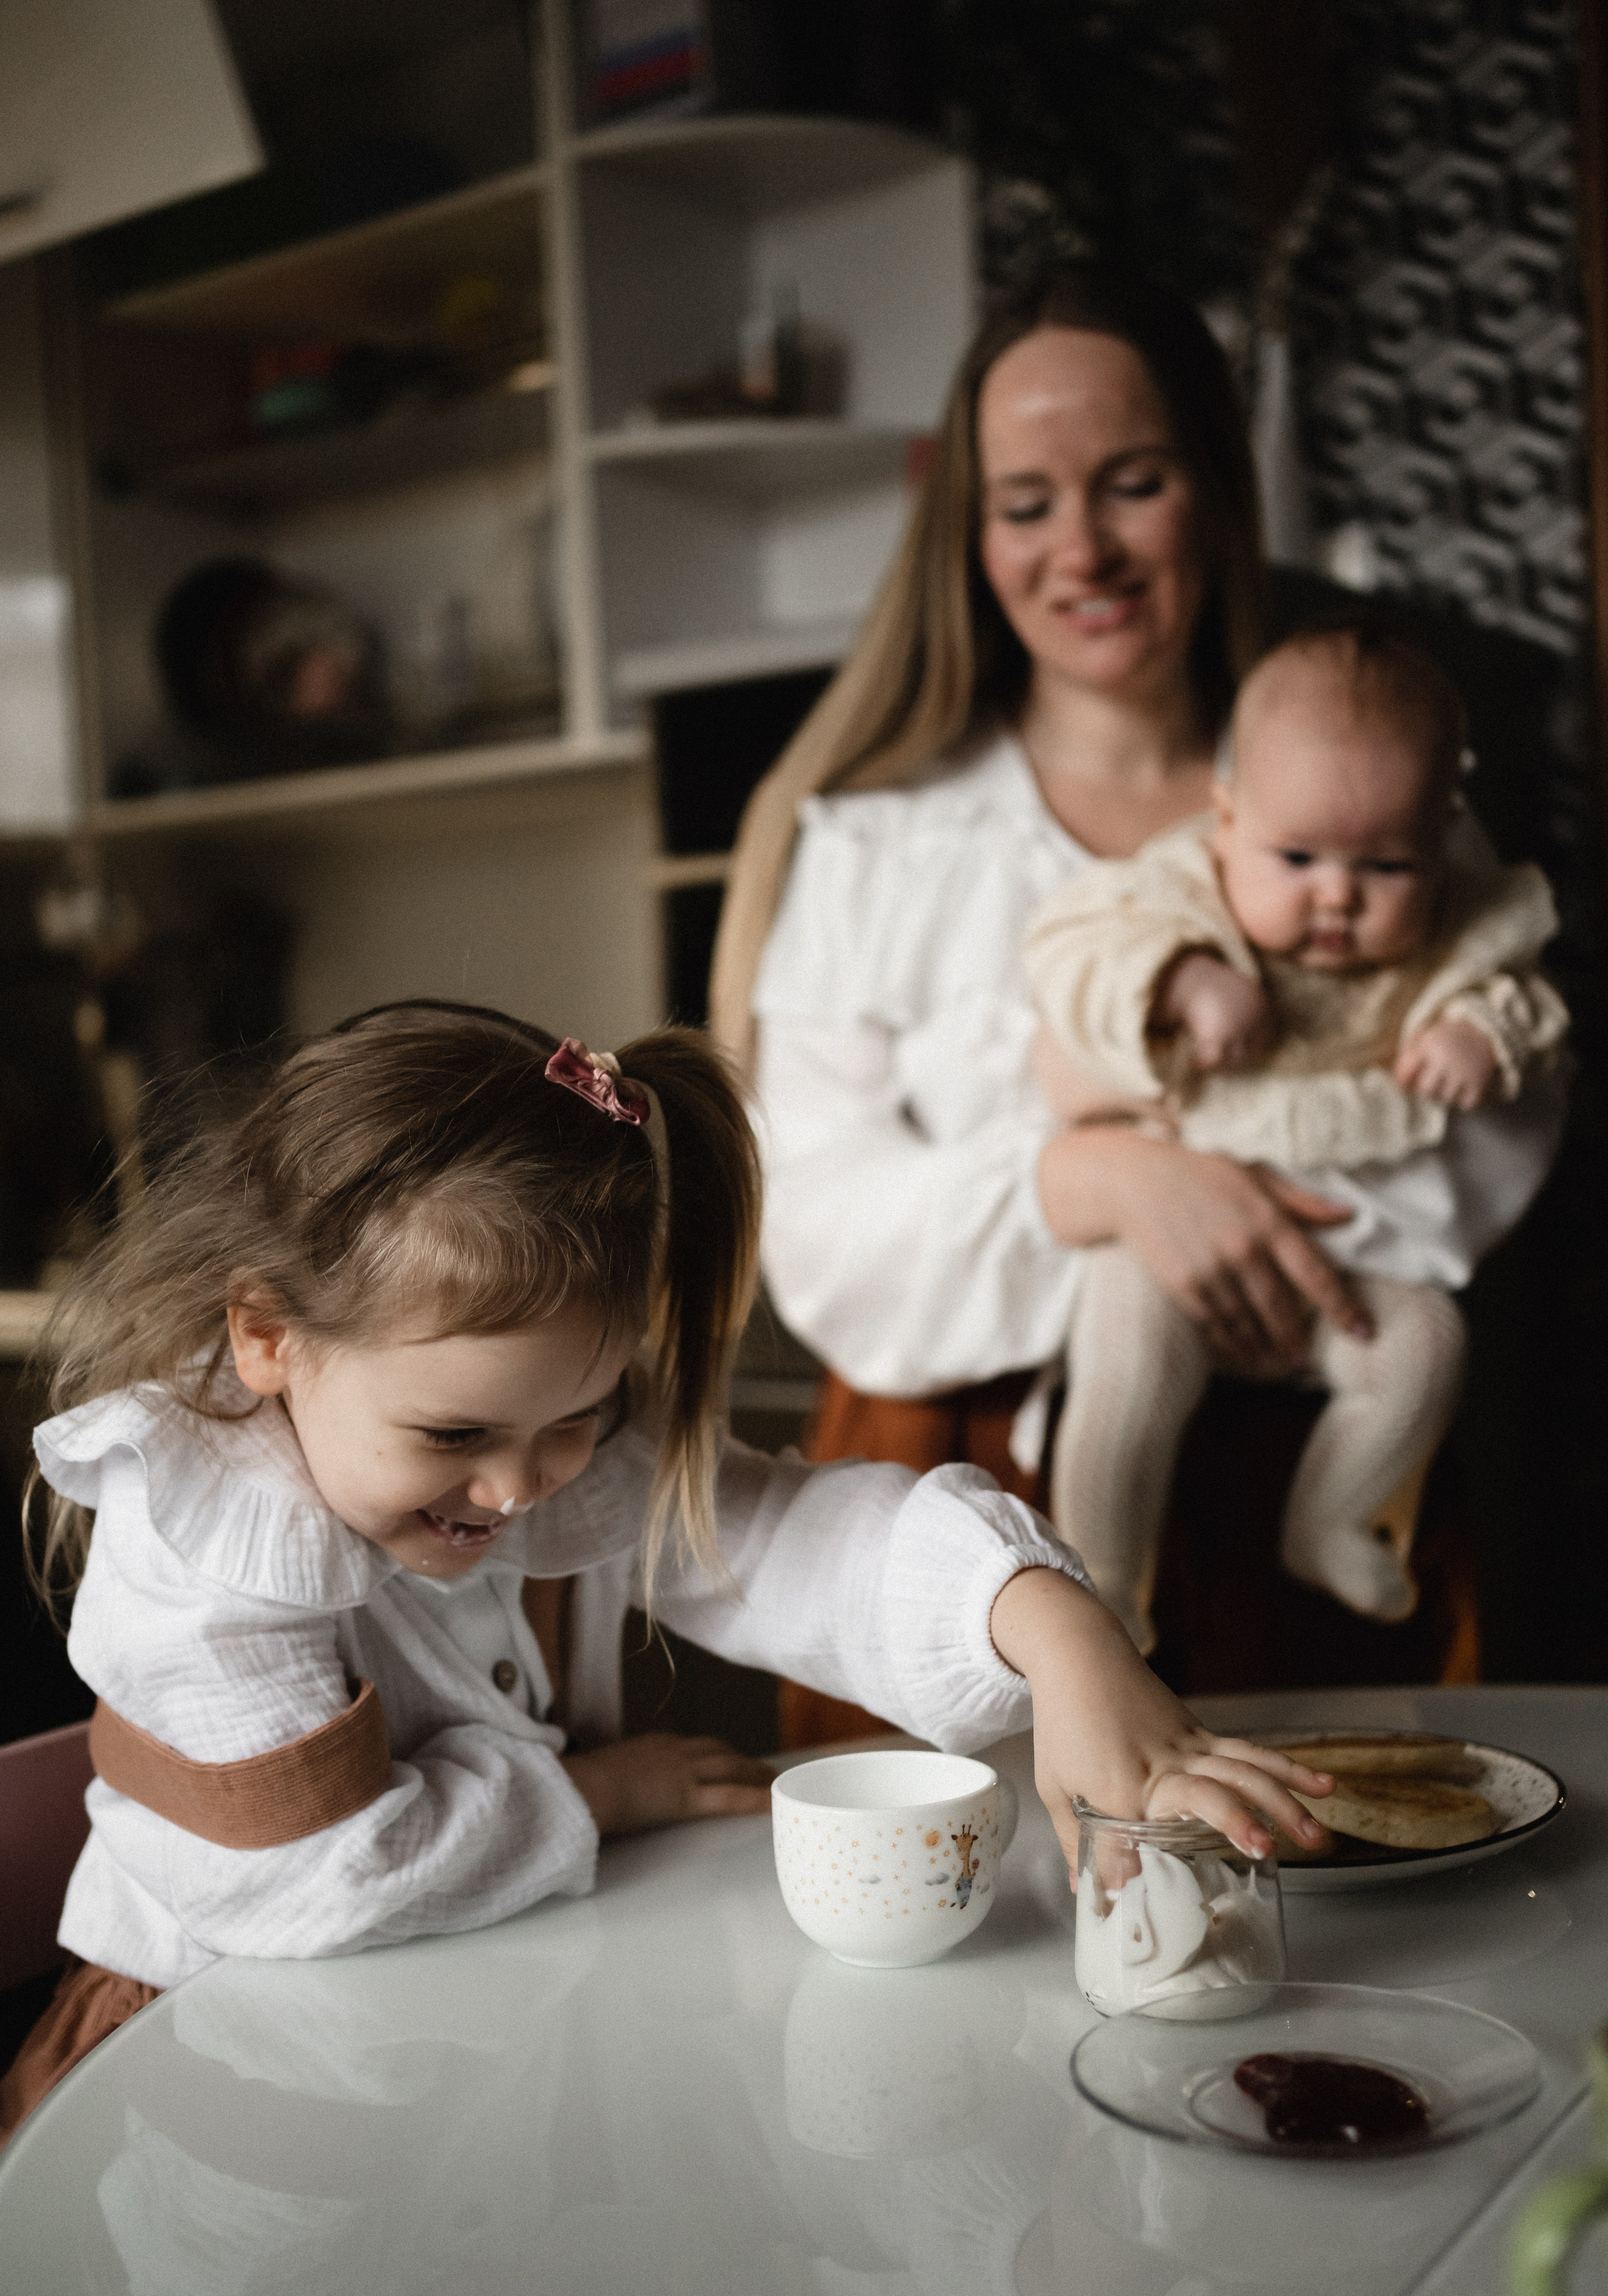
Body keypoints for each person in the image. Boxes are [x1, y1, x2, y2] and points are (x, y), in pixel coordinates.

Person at [0, 1000, 1329, 2146]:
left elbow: (787, 1546)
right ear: (267, 1338)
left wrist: (1053, 1631)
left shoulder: (531, 1457)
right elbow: (325, 1881)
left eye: (576, 1420)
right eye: (453, 1435)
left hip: (471, 2045)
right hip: (228, 2095)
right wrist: (603, 1793)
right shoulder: (200, 1545)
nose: (519, 1489)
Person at [710, 263, 1563, 1728]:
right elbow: (822, 1221)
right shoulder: (874, 842)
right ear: (968, 535)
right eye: (1024, 502)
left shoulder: (1372, 801)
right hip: (953, 1510)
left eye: (1133, 481)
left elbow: (1496, 1124)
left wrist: (1260, 1241)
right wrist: (1093, 1183)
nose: (1081, 549)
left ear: (1218, 492)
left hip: (1306, 1450)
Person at [1023, 623, 1568, 1651]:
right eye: (1298, 856)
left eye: (1387, 864)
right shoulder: (1176, 892)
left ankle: (1328, 1517)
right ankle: (1102, 1588)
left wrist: (1479, 1036)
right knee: (1127, 1369)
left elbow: (1523, 999)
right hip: (1165, 1247)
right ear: (1226, 820)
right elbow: (1073, 958)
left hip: (1351, 1265)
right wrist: (1179, 981)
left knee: (1427, 1348)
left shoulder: (1460, 924)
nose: (1337, 895)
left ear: (1443, 836)